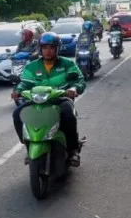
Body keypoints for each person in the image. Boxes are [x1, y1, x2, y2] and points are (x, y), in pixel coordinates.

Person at [10, 32, 86, 166]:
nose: (48, 51)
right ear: (40, 49)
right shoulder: (32, 66)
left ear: (57, 49)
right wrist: (18, 91)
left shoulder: (67, 64)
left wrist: (74, 89)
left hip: (60, 99)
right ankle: (28, 146)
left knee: (69, 114)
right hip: (36, 100)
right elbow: (24, 83)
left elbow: (79, 80)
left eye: (51, 47)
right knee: (17, 114)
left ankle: (73, 150)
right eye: (45, 47)